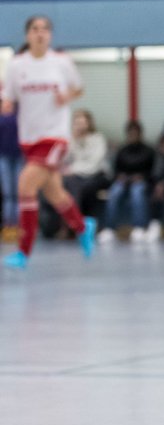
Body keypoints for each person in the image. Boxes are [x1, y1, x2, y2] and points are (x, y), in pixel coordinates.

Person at [0, 16, 96, 270]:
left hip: (55, 137)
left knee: (25, 185)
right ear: (27, 35)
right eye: (35, 29)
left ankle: (23, 252)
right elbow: (9, 98)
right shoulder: (17, 65)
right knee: (54, 192)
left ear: (50, 35)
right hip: (29, 139)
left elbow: (78, 88)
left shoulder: (61, 62)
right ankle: (83, 226)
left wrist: (67, 95)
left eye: (45, 29)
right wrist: (6, 104)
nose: (40, 34)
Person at [99, 120, 156, 243]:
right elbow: (115, 170)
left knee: (137, 193)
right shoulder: (122, 151)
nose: (133, 135)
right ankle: (109, 228)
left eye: (135, 133)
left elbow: (153, 171)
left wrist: (142, 176)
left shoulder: (148, 151)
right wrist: (119, 177)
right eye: (130, 133)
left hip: (141, 181)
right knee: (114, 193)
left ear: (140, 134)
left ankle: (139, 228)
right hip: (123, 180)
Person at [59, 109, 111, 226]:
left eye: (82, 123)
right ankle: (71, 223)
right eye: (77, 123)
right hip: (77, 176)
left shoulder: (98, 139)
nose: (80, 126)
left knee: (79, 187)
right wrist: (72, 140)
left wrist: (72, 169)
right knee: (65, 184)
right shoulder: (72, 139)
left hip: (97, 175)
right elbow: (64, 160)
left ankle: (76, 224)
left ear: (89, 124)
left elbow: (94, 163)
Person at [0, 100, 22, 244]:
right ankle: (9, 225)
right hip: (4, 158)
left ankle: (19, 226)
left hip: (20, 157)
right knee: (8, 194)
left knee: (19, 194)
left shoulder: (20, 118)